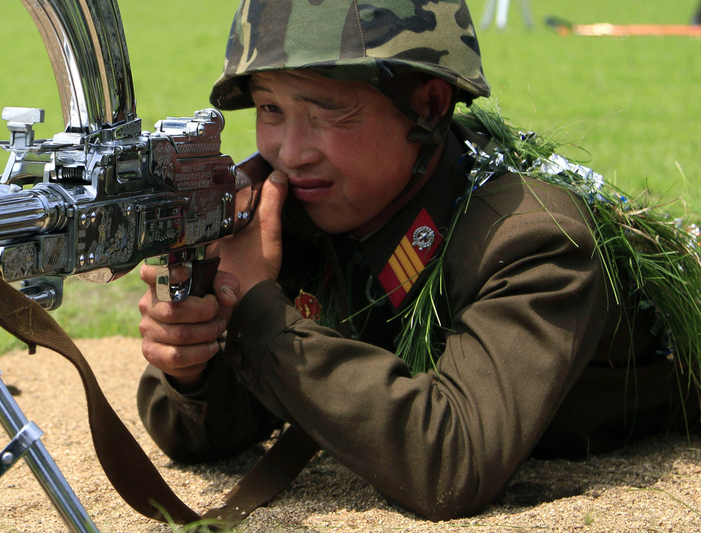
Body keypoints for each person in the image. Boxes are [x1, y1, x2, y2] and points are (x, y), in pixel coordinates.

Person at [136, 0, 694, 521]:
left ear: (428, 106)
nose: (290, 150)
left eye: (328, 113)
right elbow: (204, 435)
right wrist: (195, 362)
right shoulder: (300, 214)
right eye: (269, 109)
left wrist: (259, 309)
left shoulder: (531, 237)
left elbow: (453, 463)